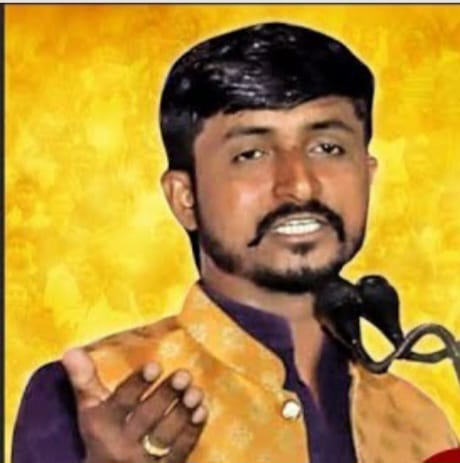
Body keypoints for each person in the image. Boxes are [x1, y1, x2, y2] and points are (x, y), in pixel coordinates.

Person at [12, 22, 458, 463]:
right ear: (184, 198)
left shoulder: (421, 424)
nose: (299, 185)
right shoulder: (96, 401)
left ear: (368, 174)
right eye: (251, 154)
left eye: (327, 148)